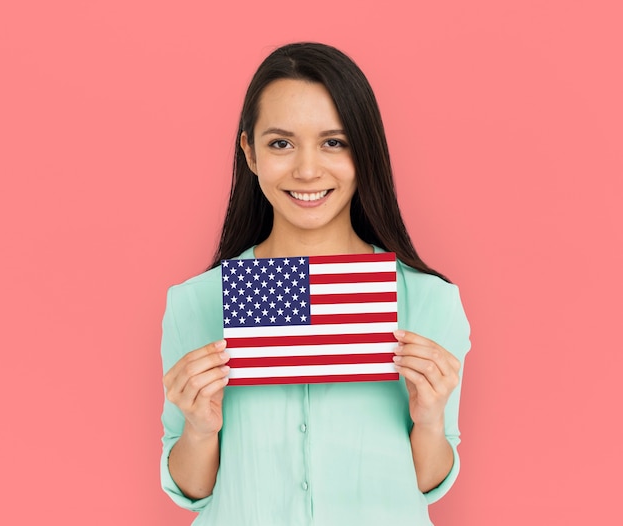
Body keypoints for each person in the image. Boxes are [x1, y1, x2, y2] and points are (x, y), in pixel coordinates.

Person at [160, 42, 470, 525]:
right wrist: (199, 430)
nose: (307, 170)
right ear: (250, 151)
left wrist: (430, 420)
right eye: (281, 143)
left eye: (334, 142)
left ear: (364, 151)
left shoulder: (430, 302)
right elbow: (192, 490)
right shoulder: (196, 303)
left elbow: (426, 486)